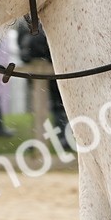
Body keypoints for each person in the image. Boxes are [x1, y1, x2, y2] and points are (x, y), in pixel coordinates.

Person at [18, 22, 71, 152]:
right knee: (40, 108)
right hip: (36, 70)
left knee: (59, 106)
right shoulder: (26, 23)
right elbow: (22, 45)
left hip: (52, 70)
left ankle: (63, 137)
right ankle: (43, 140)